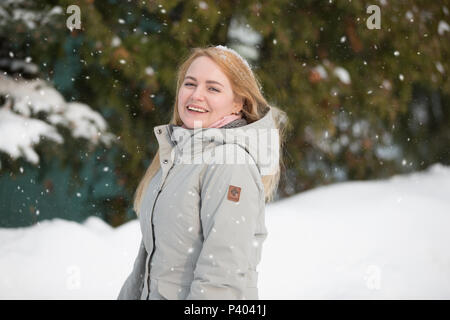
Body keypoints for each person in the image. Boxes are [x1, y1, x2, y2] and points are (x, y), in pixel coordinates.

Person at [117, 45, 287, 300]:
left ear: (238, 102)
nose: (196, 95)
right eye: (190, 84)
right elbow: (147, 265)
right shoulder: (178, 157)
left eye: (213, 88)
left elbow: (224, 276)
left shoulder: (230, 163)